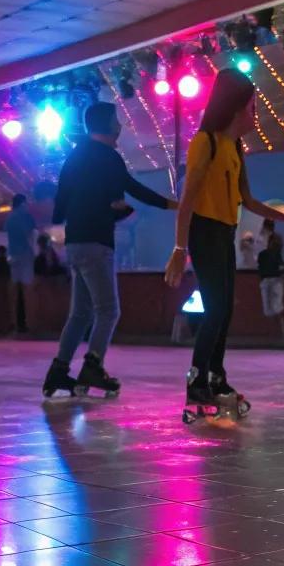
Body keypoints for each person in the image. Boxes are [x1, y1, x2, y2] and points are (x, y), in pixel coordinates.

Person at [165, 69, 284, 414]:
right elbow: (187, 202)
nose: (254, 115)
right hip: (204, 231)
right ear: (234, 109)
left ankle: (215, 376)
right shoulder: (207, 142)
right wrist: (178, 250)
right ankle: (197, 381)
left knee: (224, 309)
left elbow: (250, 200)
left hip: (224, 232)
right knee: (216, 308)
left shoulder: (234, 147)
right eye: (252, 108)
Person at [42, 102, 176, 398]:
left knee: (80, 313)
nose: (121, 125)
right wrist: (169, 204)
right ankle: (93, 365)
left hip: (75, 242)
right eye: (117, 120)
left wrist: (106, 210)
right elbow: (133, 188)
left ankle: (58, 371)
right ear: (107, 125)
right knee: (108, 310)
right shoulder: (109, 157)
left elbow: (63, 198)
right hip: (96, 242)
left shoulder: (74, 157)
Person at [6, 193, 36, 332]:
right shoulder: (26, 216)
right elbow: (30, 235)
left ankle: (13, 322)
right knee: (27, 289)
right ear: (23, 204)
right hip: (25, 254)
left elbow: (8, 236)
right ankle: (29, 322)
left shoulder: (10, 217)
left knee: (14, 290)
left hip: (12, 255)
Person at [258, 222, 284, 343]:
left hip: (272, 280)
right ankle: (278, 333)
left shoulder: (267, 254)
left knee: (274, 308)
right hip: (271, 280)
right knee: (271, 308)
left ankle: (278, 333)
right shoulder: (272, 254)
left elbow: (261, 268)